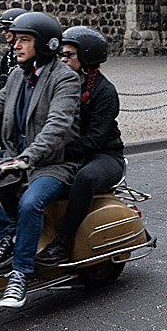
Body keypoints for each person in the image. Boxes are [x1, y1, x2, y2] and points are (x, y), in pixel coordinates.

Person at [0, 11, 82, 308]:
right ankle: (7, 235)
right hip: (16, 160)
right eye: (16, 40)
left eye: (25, 40)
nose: (16, 46)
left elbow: (57, 127)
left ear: (46, 44)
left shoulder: (65, 79)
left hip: (52, 164)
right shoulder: (16, 77)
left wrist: (27, 157)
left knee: (30, 202)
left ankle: (21, 273)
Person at [35, 27, 125, 265]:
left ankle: (63, 241)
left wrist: (54, 153)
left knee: (85, 178)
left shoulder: (104, 92)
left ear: (86, 57)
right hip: (69, 153)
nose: (63, 59)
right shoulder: (59, 84)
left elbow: (95, 140)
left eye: (69, 55)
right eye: (61, 55)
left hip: (104, 155)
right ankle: (15, 229)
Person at [0, 7, 28, 89]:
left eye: (7, 29)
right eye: (3, 29)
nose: (3, 32)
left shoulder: (31, 58)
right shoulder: (9, 55)